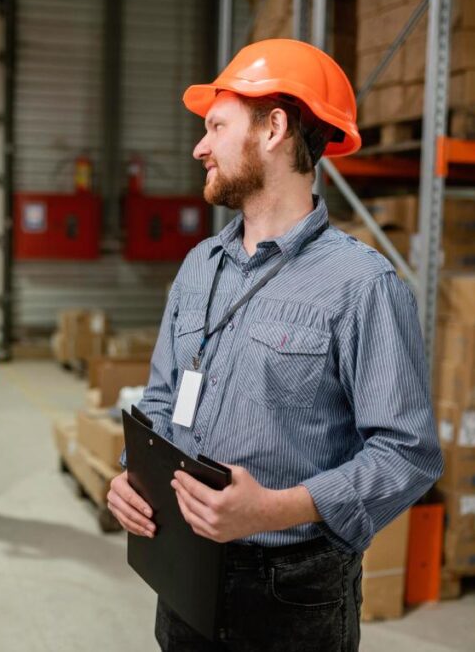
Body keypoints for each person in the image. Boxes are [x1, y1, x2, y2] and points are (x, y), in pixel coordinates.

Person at [106, 39, 442, 651]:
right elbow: (160, 401)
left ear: (274, 128)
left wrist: (277, 508)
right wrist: (132, 476)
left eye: (216, 126)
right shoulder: (198, 268)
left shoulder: (361, 285)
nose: (199, 147)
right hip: (182, 569)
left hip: (293, 591)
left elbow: (407, 454)